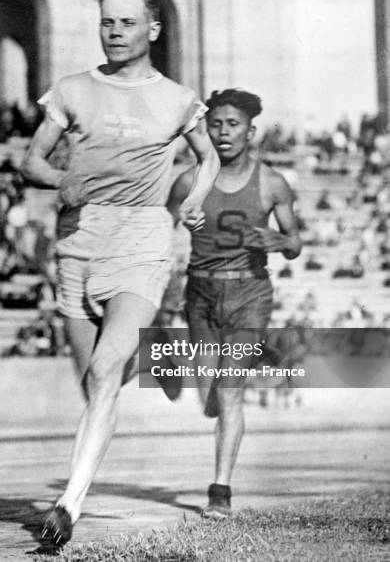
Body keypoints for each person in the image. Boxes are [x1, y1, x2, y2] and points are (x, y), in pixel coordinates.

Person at [20, 0, 220, 547]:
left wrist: (195, 199)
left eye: (126, 22)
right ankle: (159, 354)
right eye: (107, 22)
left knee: (106, 372)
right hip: (78, 239)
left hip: (141, 236)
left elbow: (206, 159)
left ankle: (66, 508)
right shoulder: (73, 89)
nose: (114, 32)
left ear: (152, 30)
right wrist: (62, 179)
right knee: (96, 382)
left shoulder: (178, 99)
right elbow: (32, 160)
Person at [167, 88, 301, 519]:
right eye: (216, 124)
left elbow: (295, 243)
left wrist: (278, 241)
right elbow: (159, 232)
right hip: (200, 294)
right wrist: (178, 221)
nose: (224, 132)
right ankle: (210, 390)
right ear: (205, 128)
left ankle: (220, 492)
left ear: (251, 131)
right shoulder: (187, 181)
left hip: (250, 294)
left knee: (230, 392)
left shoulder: (272, 183)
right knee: (210, 390)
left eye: (233, 124)